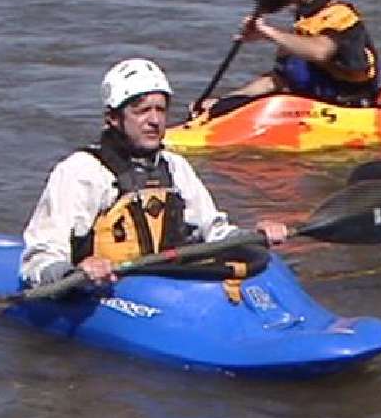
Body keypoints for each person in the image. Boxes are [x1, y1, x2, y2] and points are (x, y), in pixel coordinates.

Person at [21, 58, 288, 287]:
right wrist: (72, 273)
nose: (155, 120)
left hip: (167, 288)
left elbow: (214, 232)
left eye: (160, 109)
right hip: (103, 290)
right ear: (113, 118)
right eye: (142, 111)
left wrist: (253, 238)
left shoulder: (174, 166)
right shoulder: (82, 171)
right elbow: (41, 254)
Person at [194, 0, 381, 117]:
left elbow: (321, 51)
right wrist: (224, 102)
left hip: (350, 100)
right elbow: (276, 80)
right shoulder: (303, 21)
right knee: (288, 62)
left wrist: (268, 32)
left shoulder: (339, 14)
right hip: (317, 100)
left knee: (293, 60)